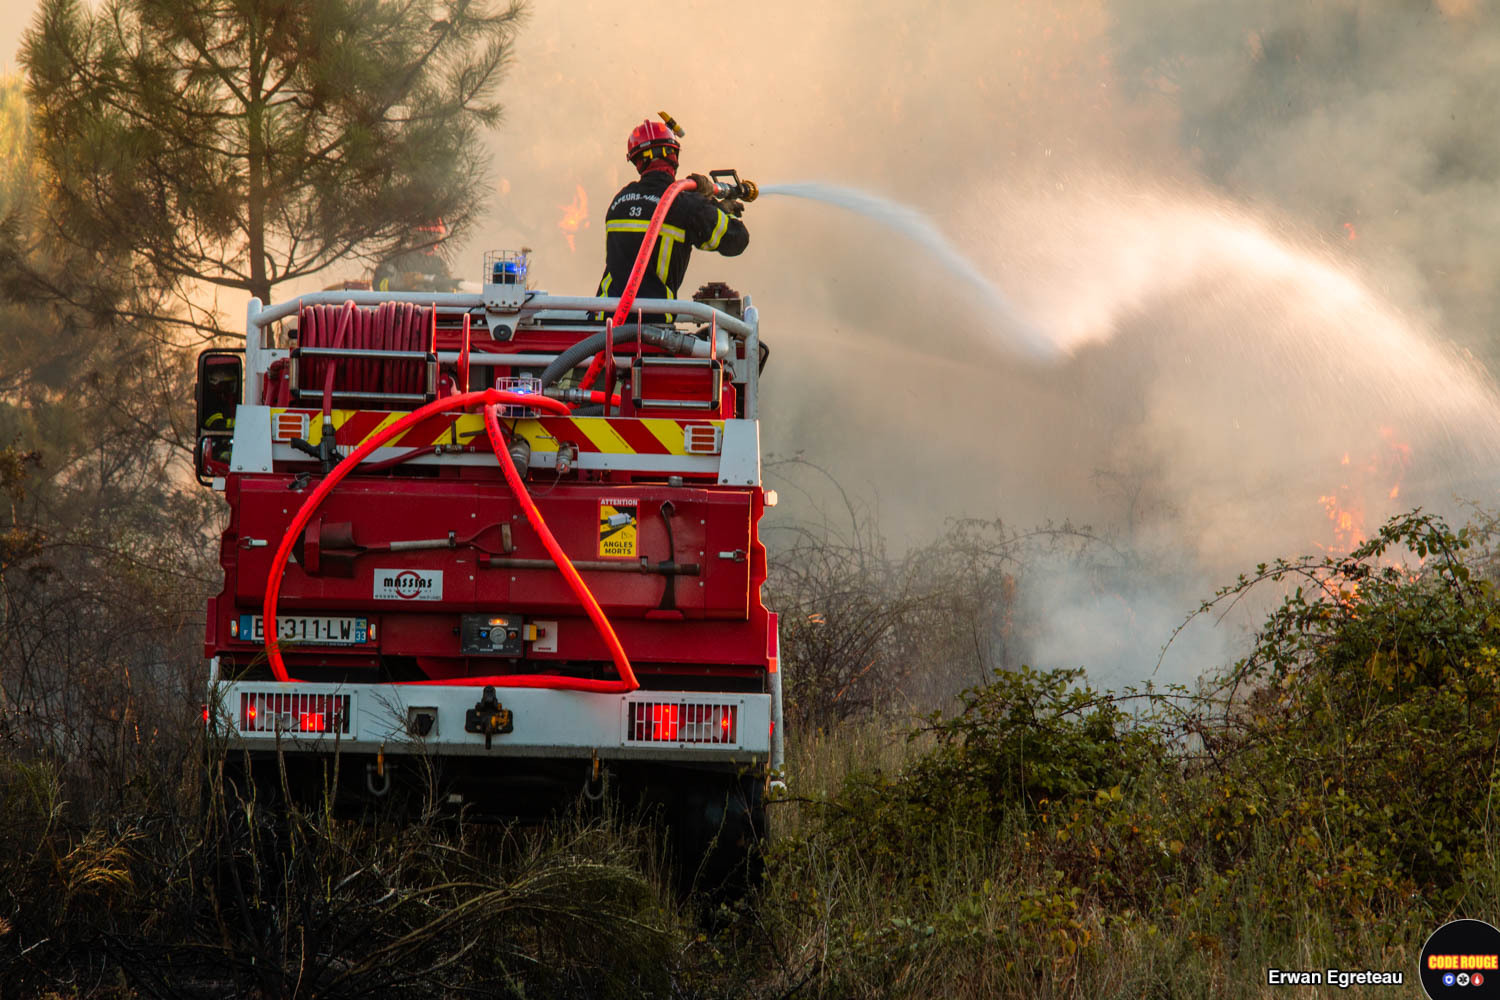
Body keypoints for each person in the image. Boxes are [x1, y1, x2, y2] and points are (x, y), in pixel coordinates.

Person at [596, 118, 749, 320]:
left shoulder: (620, 201)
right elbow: (736, 240)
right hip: (651, 327)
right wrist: (719, 209)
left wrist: (705, 203)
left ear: (638, 162)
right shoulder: (685, 205)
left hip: (603, 323)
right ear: (674, 155)